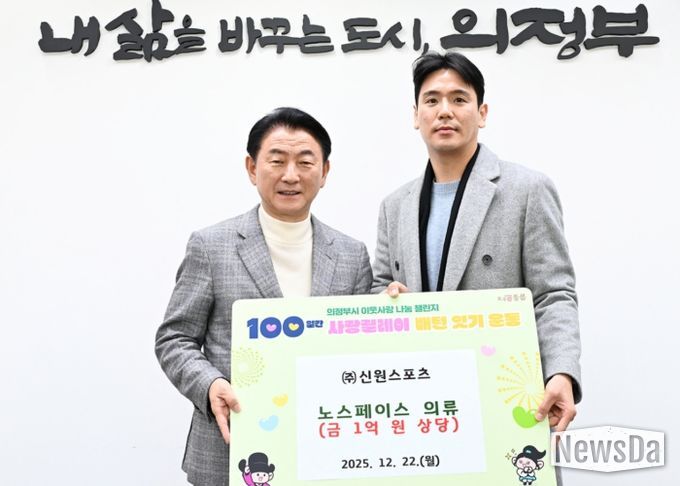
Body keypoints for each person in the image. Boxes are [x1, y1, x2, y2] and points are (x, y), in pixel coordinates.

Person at [155, 107, 372, 486]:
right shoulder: (211, 246)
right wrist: (209, 385)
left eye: (305, 162)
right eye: (277, 160)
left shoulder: (351, 255)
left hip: (324, 450)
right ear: (252, 168)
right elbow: (174, 339)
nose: (291, 175)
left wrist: (393, 311)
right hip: (229, 449)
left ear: (324, 172)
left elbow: (362, 347)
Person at [372, 51, 582, 433]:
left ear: (482, 113)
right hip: (420, 401)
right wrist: (386, 299)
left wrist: (561, 371)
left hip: (500, 394)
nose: (444, 111)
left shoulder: (527, 190)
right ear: (416, 115)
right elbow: (379, 286)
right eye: (432, 100)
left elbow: (554, 294)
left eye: (459, 99)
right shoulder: (395, 206)